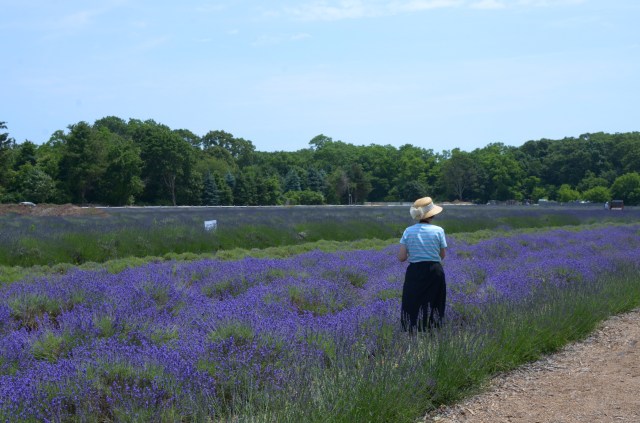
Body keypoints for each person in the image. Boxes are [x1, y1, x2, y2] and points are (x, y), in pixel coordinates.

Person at [398, 197, 447, 332]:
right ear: (433, 214)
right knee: (435, 302)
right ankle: (433, 332)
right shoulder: (438, 231)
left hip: (415, 271)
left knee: (412, 303)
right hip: (434, 270)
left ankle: (412, 332)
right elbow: (442, 255)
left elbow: (401, 257)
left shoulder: (408, 231)